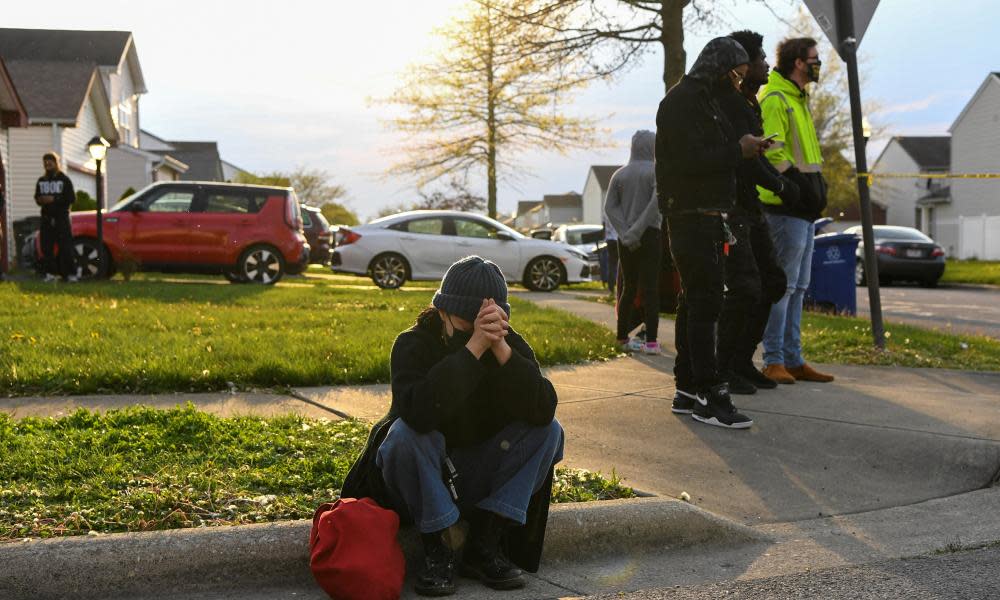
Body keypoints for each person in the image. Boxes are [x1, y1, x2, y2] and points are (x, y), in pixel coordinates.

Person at [341, 255, 564, 597]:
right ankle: (440, 546)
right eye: (466, 323)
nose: (479, 331)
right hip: (421, 475)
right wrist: (473, 349)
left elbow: (543, 410)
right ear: (442, 311)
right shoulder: (413, 344)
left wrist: (501, 349)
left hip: (474, 473)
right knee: (405, 435)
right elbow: (418, 413)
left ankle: (484, 542)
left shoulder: (506, 343)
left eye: (487, 321)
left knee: (550, 431)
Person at [656, 37, 770, 429]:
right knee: (706, 306)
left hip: (707, 215)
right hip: (691, 216)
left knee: (695, 303)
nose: (738, 84)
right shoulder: (683, 102)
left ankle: (688, 388)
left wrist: (744, 148)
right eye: (735, 76)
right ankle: (711, 395)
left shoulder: (704, 100)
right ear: (718, 69)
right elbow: (690, 161)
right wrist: (738, 150)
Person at [715, 30, 796, 395]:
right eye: (760, 58)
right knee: (746, 287)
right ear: (742, 66)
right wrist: (782, 186)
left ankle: (741, 361)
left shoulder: (750, 103)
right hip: (733, 210)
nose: (766, 64)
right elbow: (745, 161)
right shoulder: (730, 104)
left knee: (773, 281)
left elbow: (756, 157)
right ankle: (724, 366)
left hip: (752, 207)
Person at [757, 37, 835, 384]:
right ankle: (773, 359)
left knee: (800, 286)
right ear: (798, 62)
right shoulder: (776, 98)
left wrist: (817, 188)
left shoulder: (799, 100)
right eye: (815, 59)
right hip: (784, 208)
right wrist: (800, 189)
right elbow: (773, 151)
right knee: (784, 286)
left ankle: (793, 359)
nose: (819, 64)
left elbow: (806, 157)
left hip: (803, 210)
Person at [604, 130, 662, 355]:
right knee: (650, 288)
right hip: (650, 235)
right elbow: (656, 204)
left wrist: (626, 233)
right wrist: (638, 231)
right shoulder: (657, 172)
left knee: (628, 287)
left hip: (625, 240)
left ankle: (621, 338)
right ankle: (652, 342)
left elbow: (610, 207)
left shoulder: (620, 175)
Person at [34, 152, 78, 282]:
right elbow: (36, 197)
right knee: (46, 248)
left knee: (66, 247)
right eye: (45, 162)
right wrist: (41, 200)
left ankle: (70, 274)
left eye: (50, 162)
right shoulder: (41, 181)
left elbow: (71, 198)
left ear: (56, 163)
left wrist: (54, 199)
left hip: (61, 218)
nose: (47, 164)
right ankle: (50, 274)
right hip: (46, 218)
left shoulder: (64, 179)